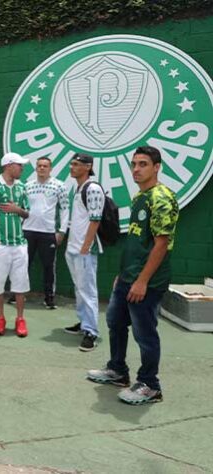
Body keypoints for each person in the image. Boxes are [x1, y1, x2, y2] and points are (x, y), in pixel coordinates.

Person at [87, 146, 178, 404]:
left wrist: (142, 281)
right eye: (134, 164)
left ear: (157, 167)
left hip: (147, 283)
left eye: (143, 164)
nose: (136, 169)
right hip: (128, 278)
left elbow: (161, 244)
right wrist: (123, 275)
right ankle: (117, 370)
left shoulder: (161, 198)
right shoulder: (141, 196)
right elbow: (138, 242)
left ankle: (150, 385)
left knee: (144, 334)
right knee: (115, 322)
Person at [0, 153, 31, 337]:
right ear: (9, 166)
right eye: (19, 165)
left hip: (20, 245)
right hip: (1, 245)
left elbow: (27, 213)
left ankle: (20, 319)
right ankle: (0, 318)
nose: (22, 168)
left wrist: (16, 209)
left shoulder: (22, 187)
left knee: (20, 284)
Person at [64, 153, 104, 351]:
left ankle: (92, 332)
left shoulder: (93, 188)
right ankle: (83, 323)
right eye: (71, 163)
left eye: (76, 164)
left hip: (84, 250)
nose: (72, 167)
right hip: (73, 248)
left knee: (88, 290)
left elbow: (95, 219)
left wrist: (85, 247)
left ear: (88, 167)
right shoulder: (77, 187)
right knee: (79, 289)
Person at [22, 157, 69, 309]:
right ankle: (19, 295)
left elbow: (65, 209)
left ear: (50, 168)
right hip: (27, 231)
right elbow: (21, 208)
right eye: (39, 166)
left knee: (49, 266)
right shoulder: (27, 186)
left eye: (45, 166)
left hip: (48, 232)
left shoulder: (59, 186)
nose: (42, 168)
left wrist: (61, 231)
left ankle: (49, 297)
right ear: (36, 168)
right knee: (23, 264)